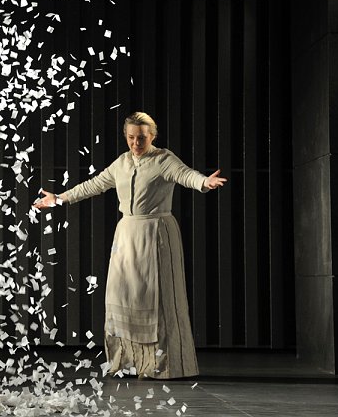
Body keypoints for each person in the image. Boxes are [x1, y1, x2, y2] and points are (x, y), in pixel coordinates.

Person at [33, 112, 226, 379]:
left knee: (157, 298)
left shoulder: (164, 159)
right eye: (131, 137)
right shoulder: (122, 163)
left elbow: (185, 175)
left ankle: (162, 365)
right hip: (126, 235)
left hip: (155, 233)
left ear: (152, 136)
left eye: (142, 138)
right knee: (122, 294)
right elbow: (94, 185)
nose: (136, 143)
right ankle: (128, 362)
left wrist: (204, 182)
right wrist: (58, 199)